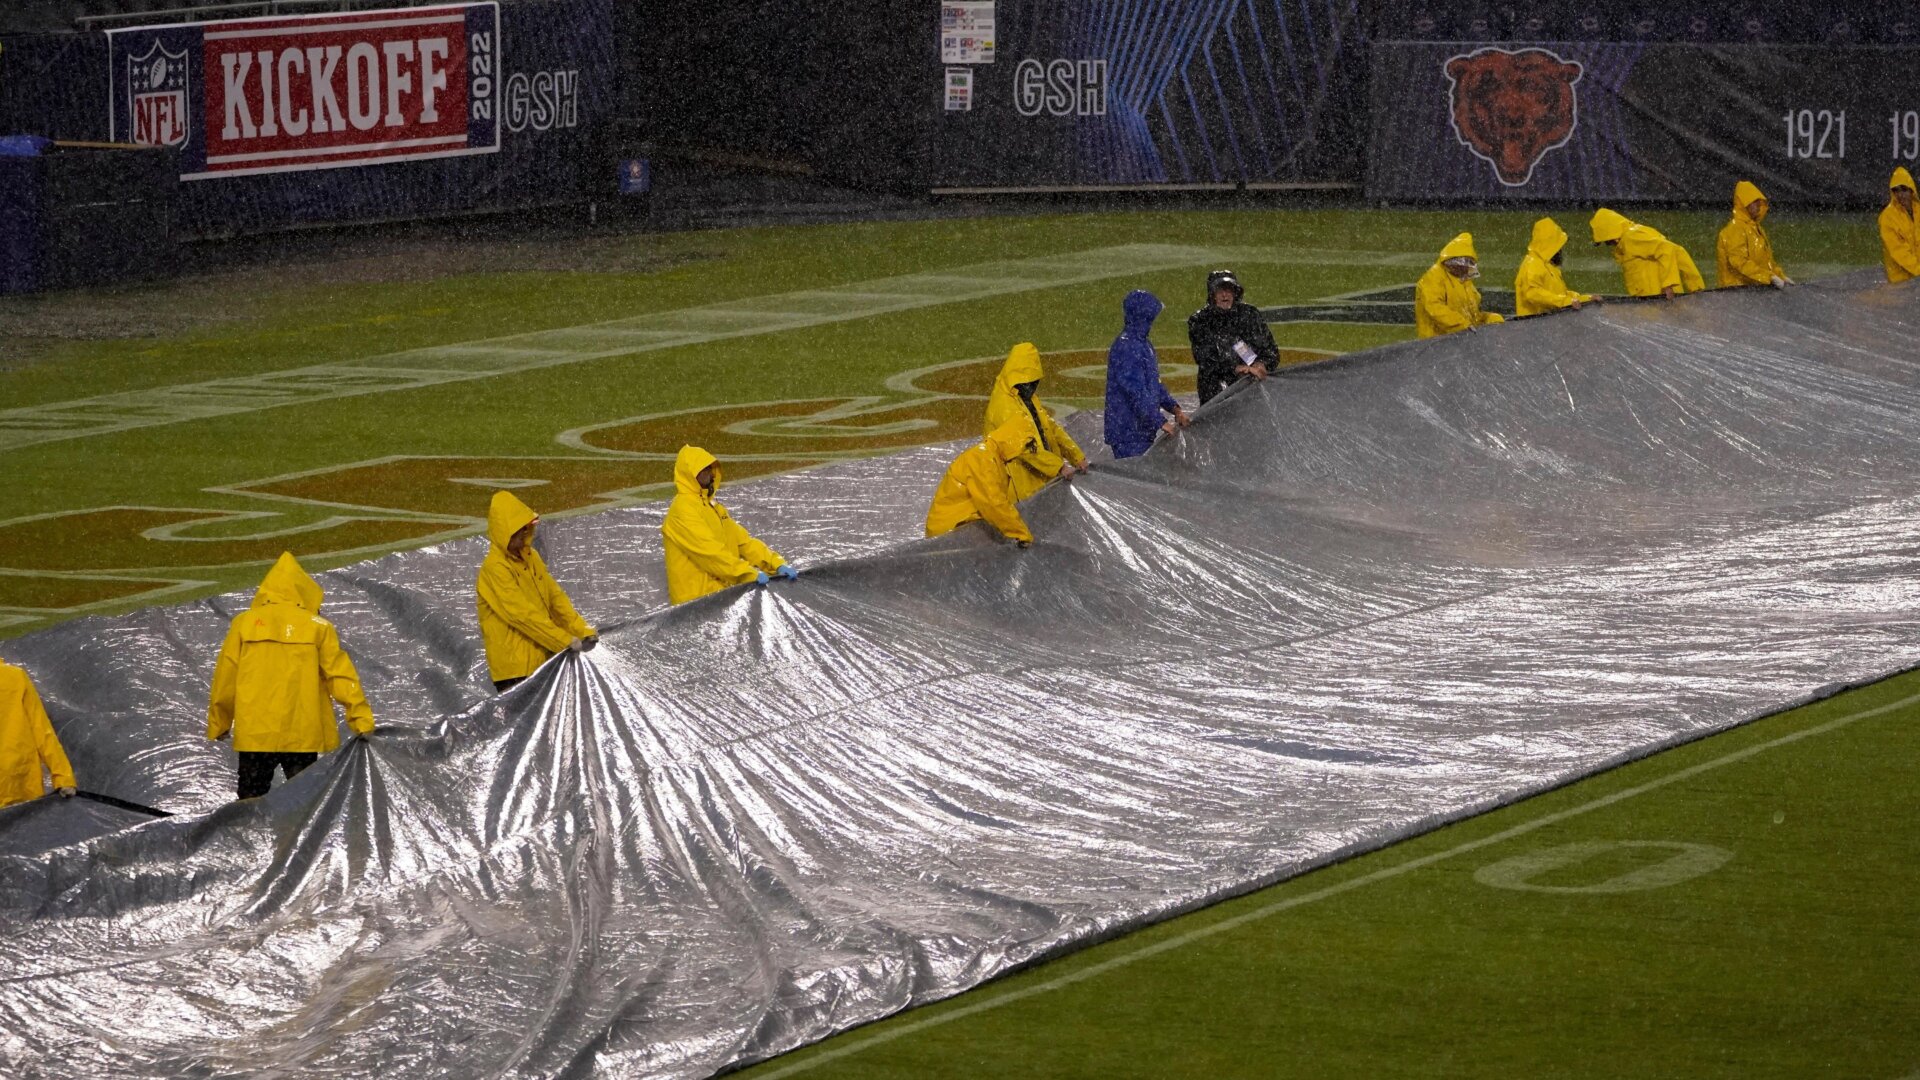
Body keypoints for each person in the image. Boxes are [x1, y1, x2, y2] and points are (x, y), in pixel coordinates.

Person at [207, 552, 374, 800]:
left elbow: (226, 677)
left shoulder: (244, 624)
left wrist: (219, 722)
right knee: (304, 805)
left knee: (250, 804)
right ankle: (294, 839)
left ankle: (250, 839)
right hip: (302, 734)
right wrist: (361, 720)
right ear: (303, 590)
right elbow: (340, 676)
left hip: (256, 734)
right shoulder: (318, 627)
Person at [476, 491, 597, 693]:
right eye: (518, 532)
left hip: (543, 661)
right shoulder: (495, 568)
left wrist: (582, 630)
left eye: (525, 530)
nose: (523, 537)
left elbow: (555, 599)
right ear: (503, 533)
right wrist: (563, 640)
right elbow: (521, 615)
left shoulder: (532, 558)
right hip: (515, 670)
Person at [662, 444, 793, 604]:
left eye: (710, 469)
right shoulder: (682, 511)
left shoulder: (713, 507)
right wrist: (748, 574)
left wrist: (776, 563)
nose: (709, 474)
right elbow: (710, 554)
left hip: (718, 599)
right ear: (690, 475)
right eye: (703, 470)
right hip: (694, 605)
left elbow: (743, 542)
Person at [984, 342, 1089, 501]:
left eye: (1034, 382)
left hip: (1035, 481)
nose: (1032, 387)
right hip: (1016, 487)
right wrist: (1058, 467)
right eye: (1029, 383)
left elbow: (1049, 427)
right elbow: (1024, 448)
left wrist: (1076, 455)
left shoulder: (1024, 396)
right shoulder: (1004, 406)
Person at [1104, 289, 1189, 459]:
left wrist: (1174, 408)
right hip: (1129, 432)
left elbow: (1153, 384)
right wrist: (1159, 421)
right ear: (1145, 316)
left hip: (1139, 430)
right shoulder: (1128, 347)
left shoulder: (1141, 344)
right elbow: (1134, 391)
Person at [925, 420, 1038, 546]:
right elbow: (993, 503)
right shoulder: (982, 459)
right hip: (950, 531)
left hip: (959, 526)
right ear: (1013, 442)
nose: (1023, 453)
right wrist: (1022, 534)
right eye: (1024, 447)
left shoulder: (993, 458)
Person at [1186, 269, 1279, 406]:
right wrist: (1235, 368)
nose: (1225, 295)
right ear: (1212, 295)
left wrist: (1261, 364)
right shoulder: (1200, 320)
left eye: (1229, 290)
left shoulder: (1249, 315)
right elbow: (1205, 358)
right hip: (1214, 388)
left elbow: (1271, 351)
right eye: (1220, 290)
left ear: (1236, 293)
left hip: (1251, 384)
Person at [0, 660, 76, 808]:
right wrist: (63, 776)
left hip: (19, 781)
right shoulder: (14, 677)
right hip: (20, 780)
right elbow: (41, 728)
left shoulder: (15, 677)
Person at [1590, 208, 1705, 299]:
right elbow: (1678, 251)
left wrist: (1668, 285)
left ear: (1611, 235)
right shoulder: (1634, 233)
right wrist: (1695, 285)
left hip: (1657, 302)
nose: (1608, 244)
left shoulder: (1631, 238)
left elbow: (1667, 249)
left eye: (1606, 241)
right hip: (1659, 302)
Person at [1415, 233, 1506, 336]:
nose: (1467, 269)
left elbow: (1471, 313)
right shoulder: (1433, 278)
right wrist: (1462, 325)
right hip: (1437, 341)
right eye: (1465, 265)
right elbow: (1435, 309)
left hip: (1459, 339)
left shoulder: (1463, 280)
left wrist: (1489, 319)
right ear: (1455, 263)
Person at [1514, 218, 1596, 316]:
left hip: (1546, 323)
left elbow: (1560, 295)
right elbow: (1532, 294)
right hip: (1533, 325)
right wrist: (1564, 301)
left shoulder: (1549, 266)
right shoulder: (1533, 264)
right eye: (1559, 246)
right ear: (1551, 246)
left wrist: (1587, 299)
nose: (1560, 250)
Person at [1716, 180, 1791, 289]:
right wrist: (1769, 277)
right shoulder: (1735, 229)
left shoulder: (1756, 228)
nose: (1758, 205)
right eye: (1754, 202)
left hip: (1753, 291)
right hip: (1735, 293)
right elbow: (1740, 263)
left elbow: (1767, 262)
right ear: (1744, 203)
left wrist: (1780, 276)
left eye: (1759, 202)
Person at [1881, 167, 1919, 284]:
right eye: (1896, 190)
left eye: (1903, 189)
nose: (1900, 194)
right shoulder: (1887, 217)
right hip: (1900, 282)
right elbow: (1898, 252)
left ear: (1911, 190)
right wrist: (1918, 272)